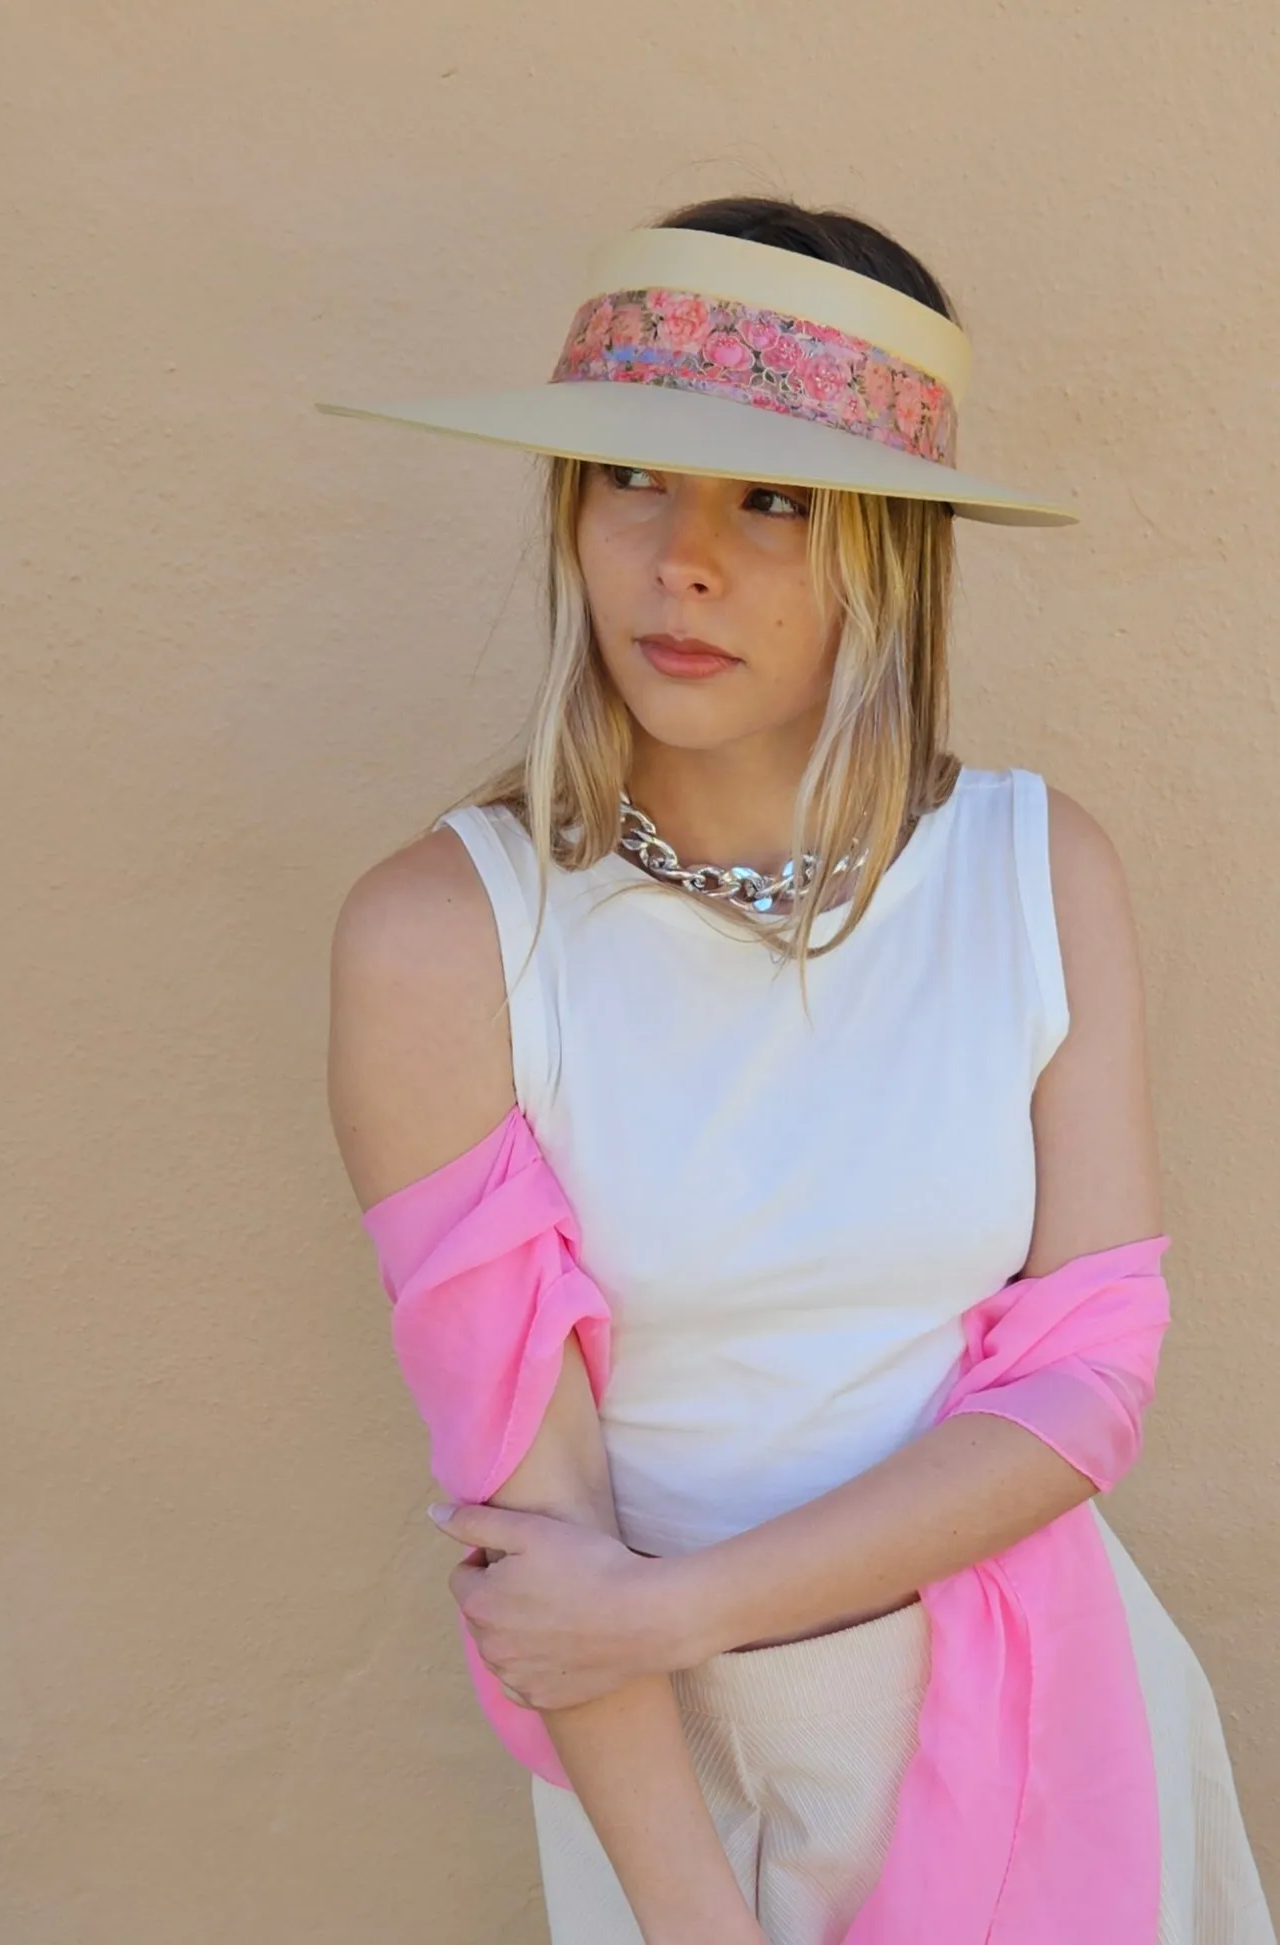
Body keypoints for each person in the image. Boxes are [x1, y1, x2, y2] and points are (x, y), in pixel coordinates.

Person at [321, 196, 1274, 1944]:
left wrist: (674, 1609)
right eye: (634, 477)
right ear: (569, 508)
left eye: (771, 499)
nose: (683, 558)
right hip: (673, 1797)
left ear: (890, 547)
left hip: (1054, 1729)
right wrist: (693, 1912)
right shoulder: (446, 939)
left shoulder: (1034, 872)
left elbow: (1084, 1386)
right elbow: (541, 1531)